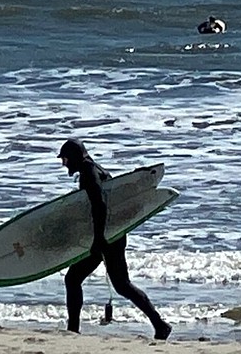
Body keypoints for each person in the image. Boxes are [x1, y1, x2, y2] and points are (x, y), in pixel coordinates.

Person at [57, 138, 171, 340]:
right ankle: (159, 324)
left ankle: (73, 330)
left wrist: (99, 238)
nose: (64, 164)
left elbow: (100, 205)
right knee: (118, 284)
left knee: (78, 280)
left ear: (75, 157)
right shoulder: (92, 170)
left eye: (65, 159)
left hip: (106, 237)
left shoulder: (89, 173)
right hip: (111, 235)